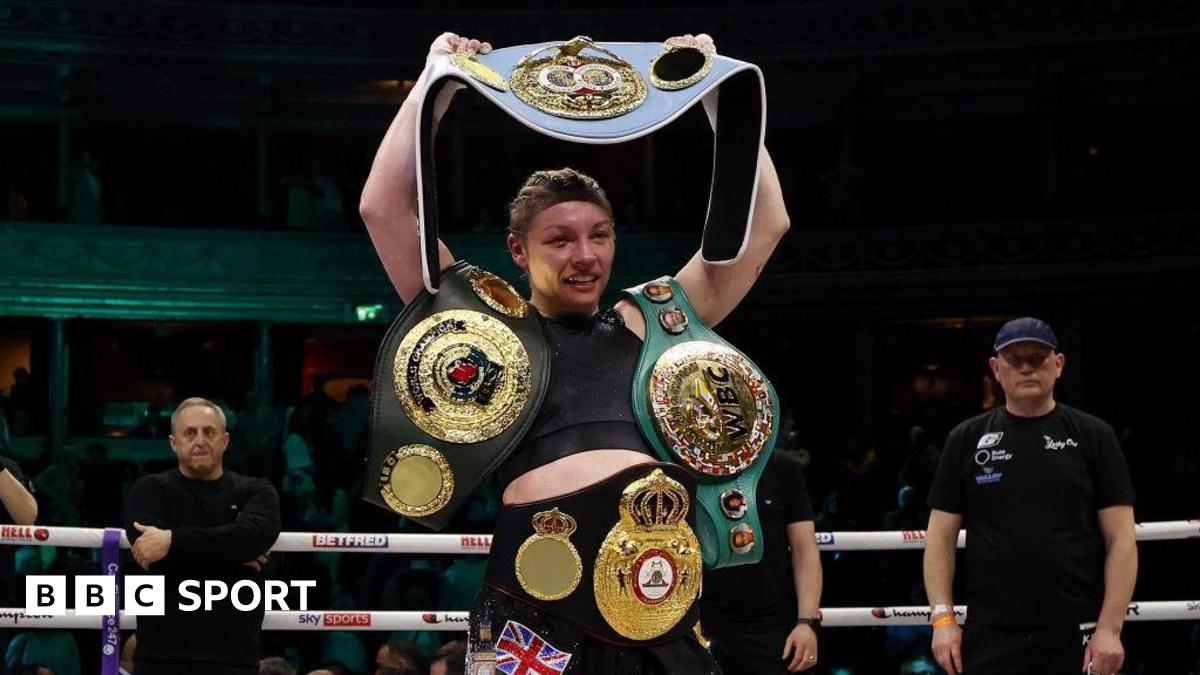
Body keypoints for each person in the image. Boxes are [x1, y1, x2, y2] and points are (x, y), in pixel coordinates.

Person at [361, 31, 790, 675]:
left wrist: (714, 91)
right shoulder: (484, 331)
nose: (584, 256)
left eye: (599, 236)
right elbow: (384, 209)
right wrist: (434, 84)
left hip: (660, 603)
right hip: (534, 612)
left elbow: (765, 224)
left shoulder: (654, 323)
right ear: (518, 250)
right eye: (559, 239)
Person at [923, 318, 1137, 675]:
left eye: (1037, 357)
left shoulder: (1094, 436)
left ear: (1058, 364)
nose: (1025, 367)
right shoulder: (966, 438)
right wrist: (943, 620)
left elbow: (1122, 539)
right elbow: (940, 538)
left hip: (1076, 627)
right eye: (1014, 357)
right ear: (995, 368)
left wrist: (1110, 629)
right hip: (990, 629)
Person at [123, 397, 281, 675]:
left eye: (209, 432)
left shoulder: (255, 491)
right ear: (174, 442)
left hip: (233, 656)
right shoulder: (149, 490)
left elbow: (256, 535)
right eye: (190, 432)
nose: (200, 440)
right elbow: (151, 555)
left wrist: (172, 542)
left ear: (225, 440)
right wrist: (234, 556)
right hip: (160, 655)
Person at [701, 450, 823, 673]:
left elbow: (805, 551)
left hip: (772, 626)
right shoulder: (684, 468)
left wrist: (807, 623)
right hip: (702, 625)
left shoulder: (781, 466)